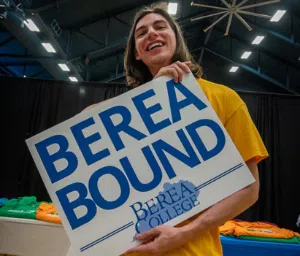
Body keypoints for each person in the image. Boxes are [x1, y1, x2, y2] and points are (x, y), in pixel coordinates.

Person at [84, 2, 269, 256]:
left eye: (161, 27)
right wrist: (152, 92)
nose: (151, 33)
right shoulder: (124, 114)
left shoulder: (224, 99)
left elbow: (249, 190)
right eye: (141, 33)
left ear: (175, 40)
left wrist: (185, 233)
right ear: (137, 53)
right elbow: (82, 124)